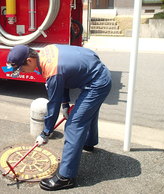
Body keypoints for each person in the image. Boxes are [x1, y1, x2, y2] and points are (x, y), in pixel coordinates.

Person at [6, 44, 112, 191]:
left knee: (74, 124)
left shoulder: (51, 71)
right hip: (96, 72)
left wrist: (45, 133)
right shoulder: (46, 52)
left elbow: (52, 104)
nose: (24, 72)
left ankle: (66, 177)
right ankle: (88, 142)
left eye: (22, 69)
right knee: (87, 113)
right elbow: (65, 77)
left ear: (29, 60)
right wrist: (65, 105)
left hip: (97, 84)